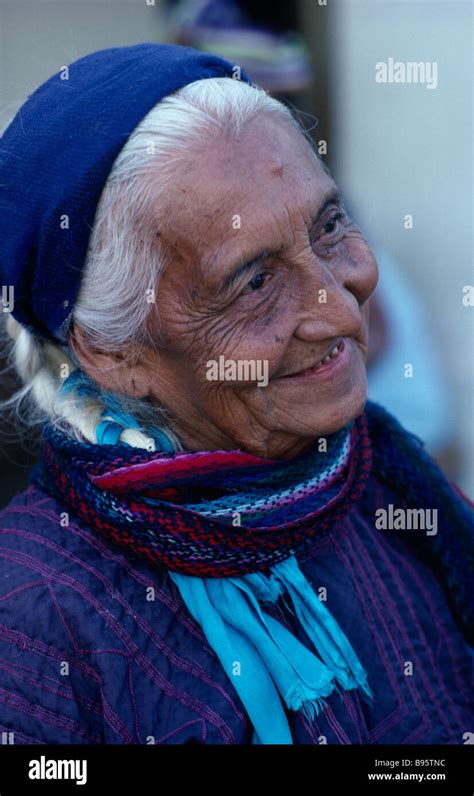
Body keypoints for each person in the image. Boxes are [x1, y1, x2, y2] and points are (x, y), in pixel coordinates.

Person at [0, 43, 472, 746]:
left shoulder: (392, 490)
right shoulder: (36, 628)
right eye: (254, 282)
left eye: (330, 226)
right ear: (113, 351)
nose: (343, 312)